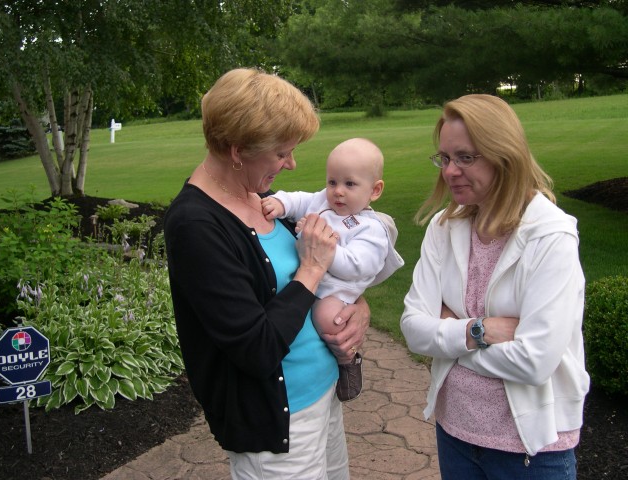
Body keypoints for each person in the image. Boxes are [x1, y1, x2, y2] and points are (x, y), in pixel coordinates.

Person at [164, 68, 370, 480]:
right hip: (278, 424)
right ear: (238, 150)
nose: (291, 165)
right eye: (281, 153)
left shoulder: (258, 196)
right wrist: (312, 269)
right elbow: (255, 347)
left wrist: (357, 306)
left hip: (322, 396)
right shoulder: (195, 225)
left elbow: (317, 274)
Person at [400, 94, 589, 479]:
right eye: (445, 158)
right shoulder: (444, 228)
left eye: (466, 157)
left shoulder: (550, 238)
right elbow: (412, 329)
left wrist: (450, 337)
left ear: (504, 156)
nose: (450, 171)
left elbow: (535, 361)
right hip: (454, 431)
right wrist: (479, 330)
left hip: (530, 448)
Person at [262, 137, 404, 402]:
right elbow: (300, 200)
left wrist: (322, 246)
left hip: (337, 291)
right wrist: (281, 204)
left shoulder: (371, 229)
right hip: (312, 280)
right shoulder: (324, 202)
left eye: (350, 184)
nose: (338, 191)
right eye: (332, 182)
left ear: (375, 190)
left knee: (329, 318)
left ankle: (346, 360)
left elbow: (357, 266)